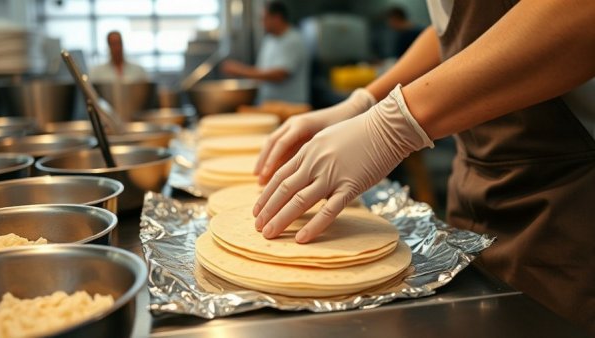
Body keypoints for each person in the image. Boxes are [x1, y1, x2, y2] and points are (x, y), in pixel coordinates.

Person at [253, 0, 595, 334]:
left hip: (569, 206)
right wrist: (366, 102)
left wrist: (392, 125)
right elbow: (452, 34)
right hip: (476, 188)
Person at [221, 1, 309, 104]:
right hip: (267, 104)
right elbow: (260, 72)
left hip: (289, 106)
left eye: (264, 18)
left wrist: (240, 70)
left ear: (277, 18)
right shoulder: (269, 40)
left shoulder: (293, 40)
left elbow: (279, 75)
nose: (262, 23)